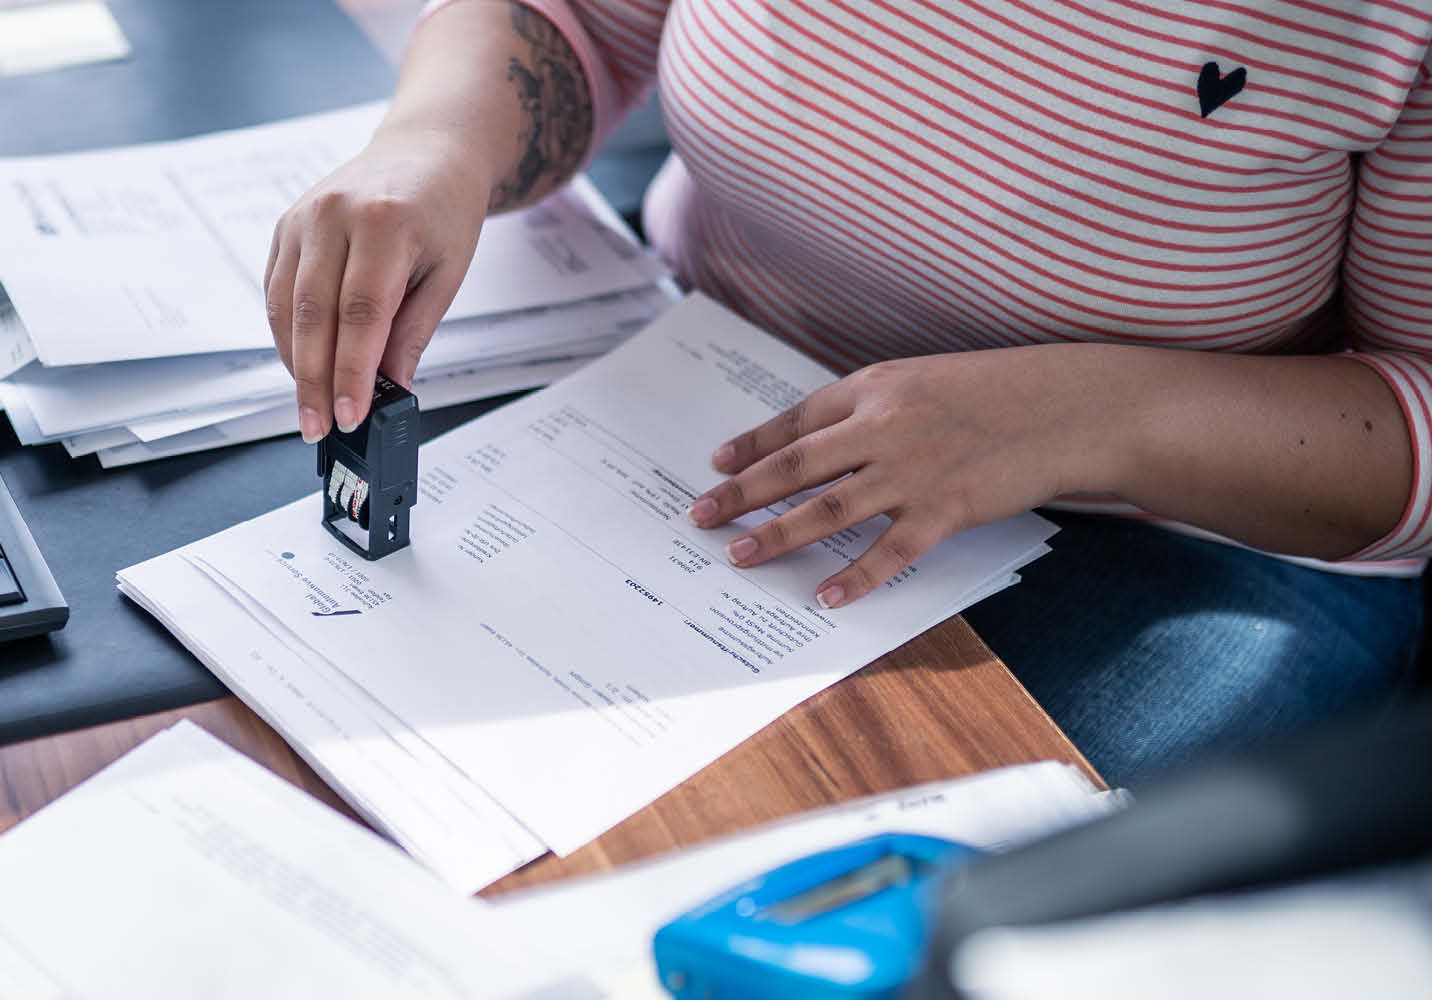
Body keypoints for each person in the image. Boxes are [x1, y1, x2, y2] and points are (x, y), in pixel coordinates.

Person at [263, 0, 1432, 784]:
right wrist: (434, 143)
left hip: (1171, 530)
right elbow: (575, 29)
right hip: (684, 368)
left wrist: (1083, 415)